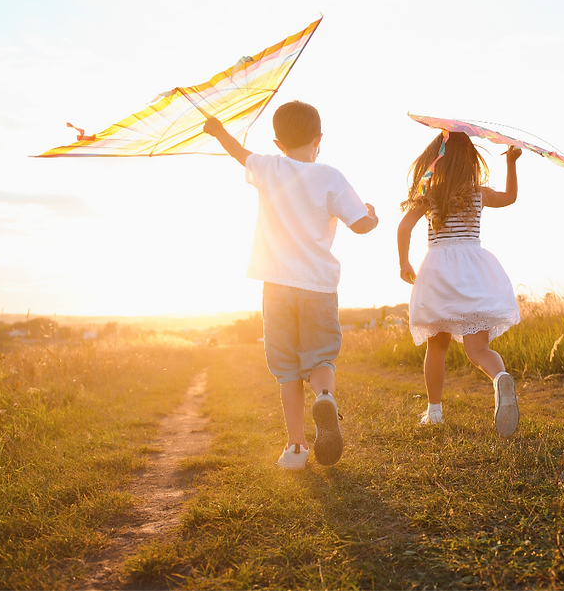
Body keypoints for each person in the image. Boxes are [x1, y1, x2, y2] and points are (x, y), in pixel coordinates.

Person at [203, 100, 378, 470]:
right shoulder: (331, 175)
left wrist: (218, 131)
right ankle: (325, 396)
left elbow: (240, 153)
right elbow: (360, 225)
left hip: (277, 285)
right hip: (318, 286)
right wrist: (372, 216)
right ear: (319, 138)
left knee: (286, 369)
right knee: (320, 357)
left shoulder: (268, 167)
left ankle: (296, 448)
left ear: (278, 142)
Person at [396, 131, 522, 437]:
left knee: (436, 345)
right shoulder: (478, 193)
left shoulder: (429, 194)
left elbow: (403, 228)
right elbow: (510, 198)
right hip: (474, 269)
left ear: (436, 158)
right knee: (478, 349)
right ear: (470, 161)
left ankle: (434, 413)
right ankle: (500, 377)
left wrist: (404, 263)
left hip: (439, 270)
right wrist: (512, 163)